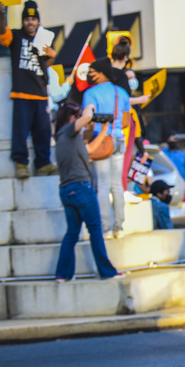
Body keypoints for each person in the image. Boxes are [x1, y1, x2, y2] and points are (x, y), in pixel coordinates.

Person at [53, 102, 123, 282]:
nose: (87, 122)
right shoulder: (69, 130)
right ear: (71, 118)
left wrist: (103, 130)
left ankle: (63, 274)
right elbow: (85, 117)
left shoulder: (65, 138)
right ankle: (107, 272)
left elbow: (90, 150)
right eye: (78, 116)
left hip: (67, 191)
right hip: (82, 188)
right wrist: (89, 106)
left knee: (72, 233)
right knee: (95, 230)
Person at [0, 0, 57, 179]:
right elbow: (1, 33)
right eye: (27, 19)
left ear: (38, 21)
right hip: (22, 92)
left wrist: (50, 55)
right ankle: (21, 163)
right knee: (21, 130)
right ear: (23, 21)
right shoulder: (15, 36)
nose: (30, 22)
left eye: (33, 19)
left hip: (40, 93)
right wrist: (1, 14)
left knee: (44, 131)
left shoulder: (42, 39)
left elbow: (49, 60)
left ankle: (43, 163)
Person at [82, 57, 130, 238]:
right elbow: (125, 121)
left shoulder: (90, 93)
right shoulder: (122, 93)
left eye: (92, 72)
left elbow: (88, 122)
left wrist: (86, 144)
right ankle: (119, 226)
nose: (90, 76)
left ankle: (106, 228)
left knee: (102, 185)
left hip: (100, 141)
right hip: (118, 140)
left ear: (101, 73)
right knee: (117, 185)